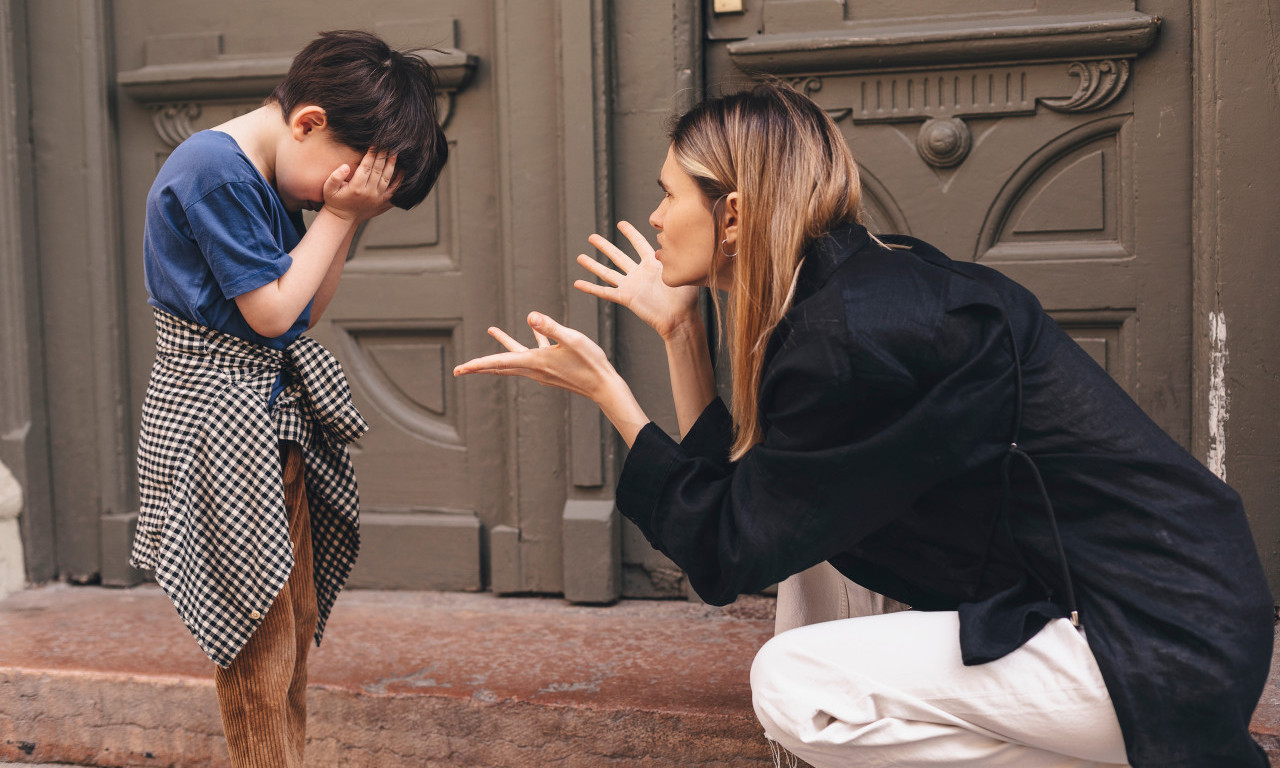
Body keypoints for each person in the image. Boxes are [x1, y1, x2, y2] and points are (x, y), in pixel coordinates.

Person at [454, 83, 1273, 767]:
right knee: (812, 557)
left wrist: (613, 400)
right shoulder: (855, 296)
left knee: (793, 685)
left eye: (671, 194)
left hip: (1151, 646)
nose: (659, 218)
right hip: (1141, 610)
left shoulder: (849, 337)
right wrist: (680, 334)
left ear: (732, 215)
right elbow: (758, 518)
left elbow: (724, 552)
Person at [130, 30, 448, 768]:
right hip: (220, 428)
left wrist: (344, 219)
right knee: (260, 643)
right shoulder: (217, 173)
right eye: (338, 182)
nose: (333, 200)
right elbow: (272, 316)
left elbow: (305, 311)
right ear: (307, 122)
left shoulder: (274, 175)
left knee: (292, 623)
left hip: (268, 422)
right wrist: (338, 218)